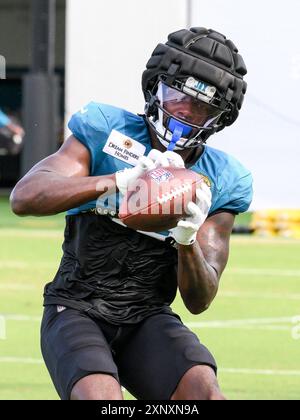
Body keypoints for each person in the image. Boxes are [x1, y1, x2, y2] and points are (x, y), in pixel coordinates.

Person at [10, 27, 253, 401]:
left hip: (147, 317)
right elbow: (25, 197)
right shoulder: (107, 131)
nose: (185, 112)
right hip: (77, 307)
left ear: (218, 118)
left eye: (202, 106)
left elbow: (199, 301)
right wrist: (118, 180)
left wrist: (186, 241)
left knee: (204, 391)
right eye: (177, 96)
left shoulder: (221, 178)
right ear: (155, 87)